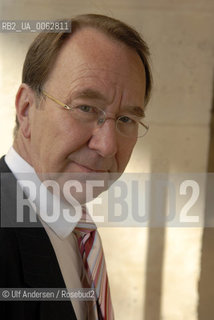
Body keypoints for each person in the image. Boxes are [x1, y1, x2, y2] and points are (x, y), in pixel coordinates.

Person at [0, 13, 152, 320]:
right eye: (85, 108)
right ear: (26, 109)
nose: (107, 145)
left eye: (126, 119)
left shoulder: (75, 231)